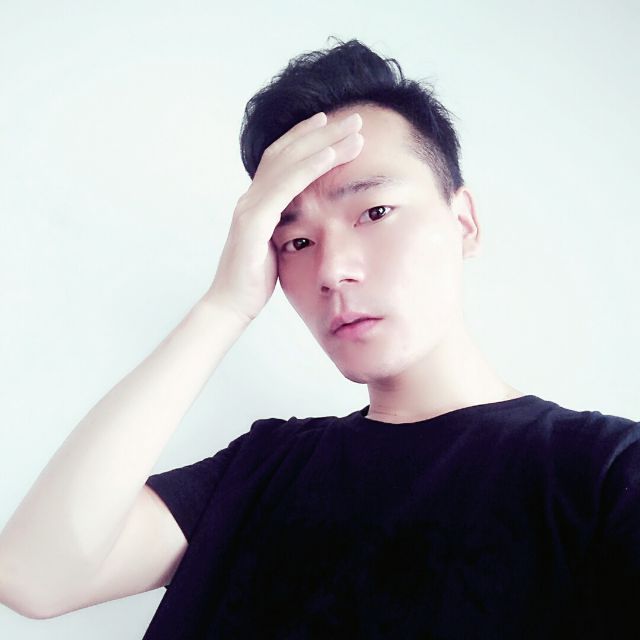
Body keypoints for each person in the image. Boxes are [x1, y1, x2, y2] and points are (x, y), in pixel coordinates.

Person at [0, 37, 638, 639]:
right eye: (297, 241)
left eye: (375, 211)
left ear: (464, 222)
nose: (332, 270)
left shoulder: (606, 473)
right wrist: (224, 305)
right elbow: (33, 576)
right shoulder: (262, 469)